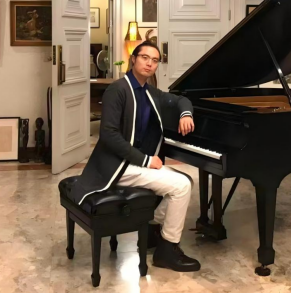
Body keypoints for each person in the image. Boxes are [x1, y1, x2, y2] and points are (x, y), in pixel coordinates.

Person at [70, 41, 201, 273]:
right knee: (181, 186)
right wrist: (146, 160)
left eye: (155, 60)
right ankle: (167, 249)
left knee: (187, 181)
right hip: (115, 167)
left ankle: (151, 229)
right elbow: (108, 135)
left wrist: (185, 114)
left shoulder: (149, 92)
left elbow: (180, 99)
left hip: (132, 163)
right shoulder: (118, 89)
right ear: (133, 59)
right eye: (144, 57)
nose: (149, 63)